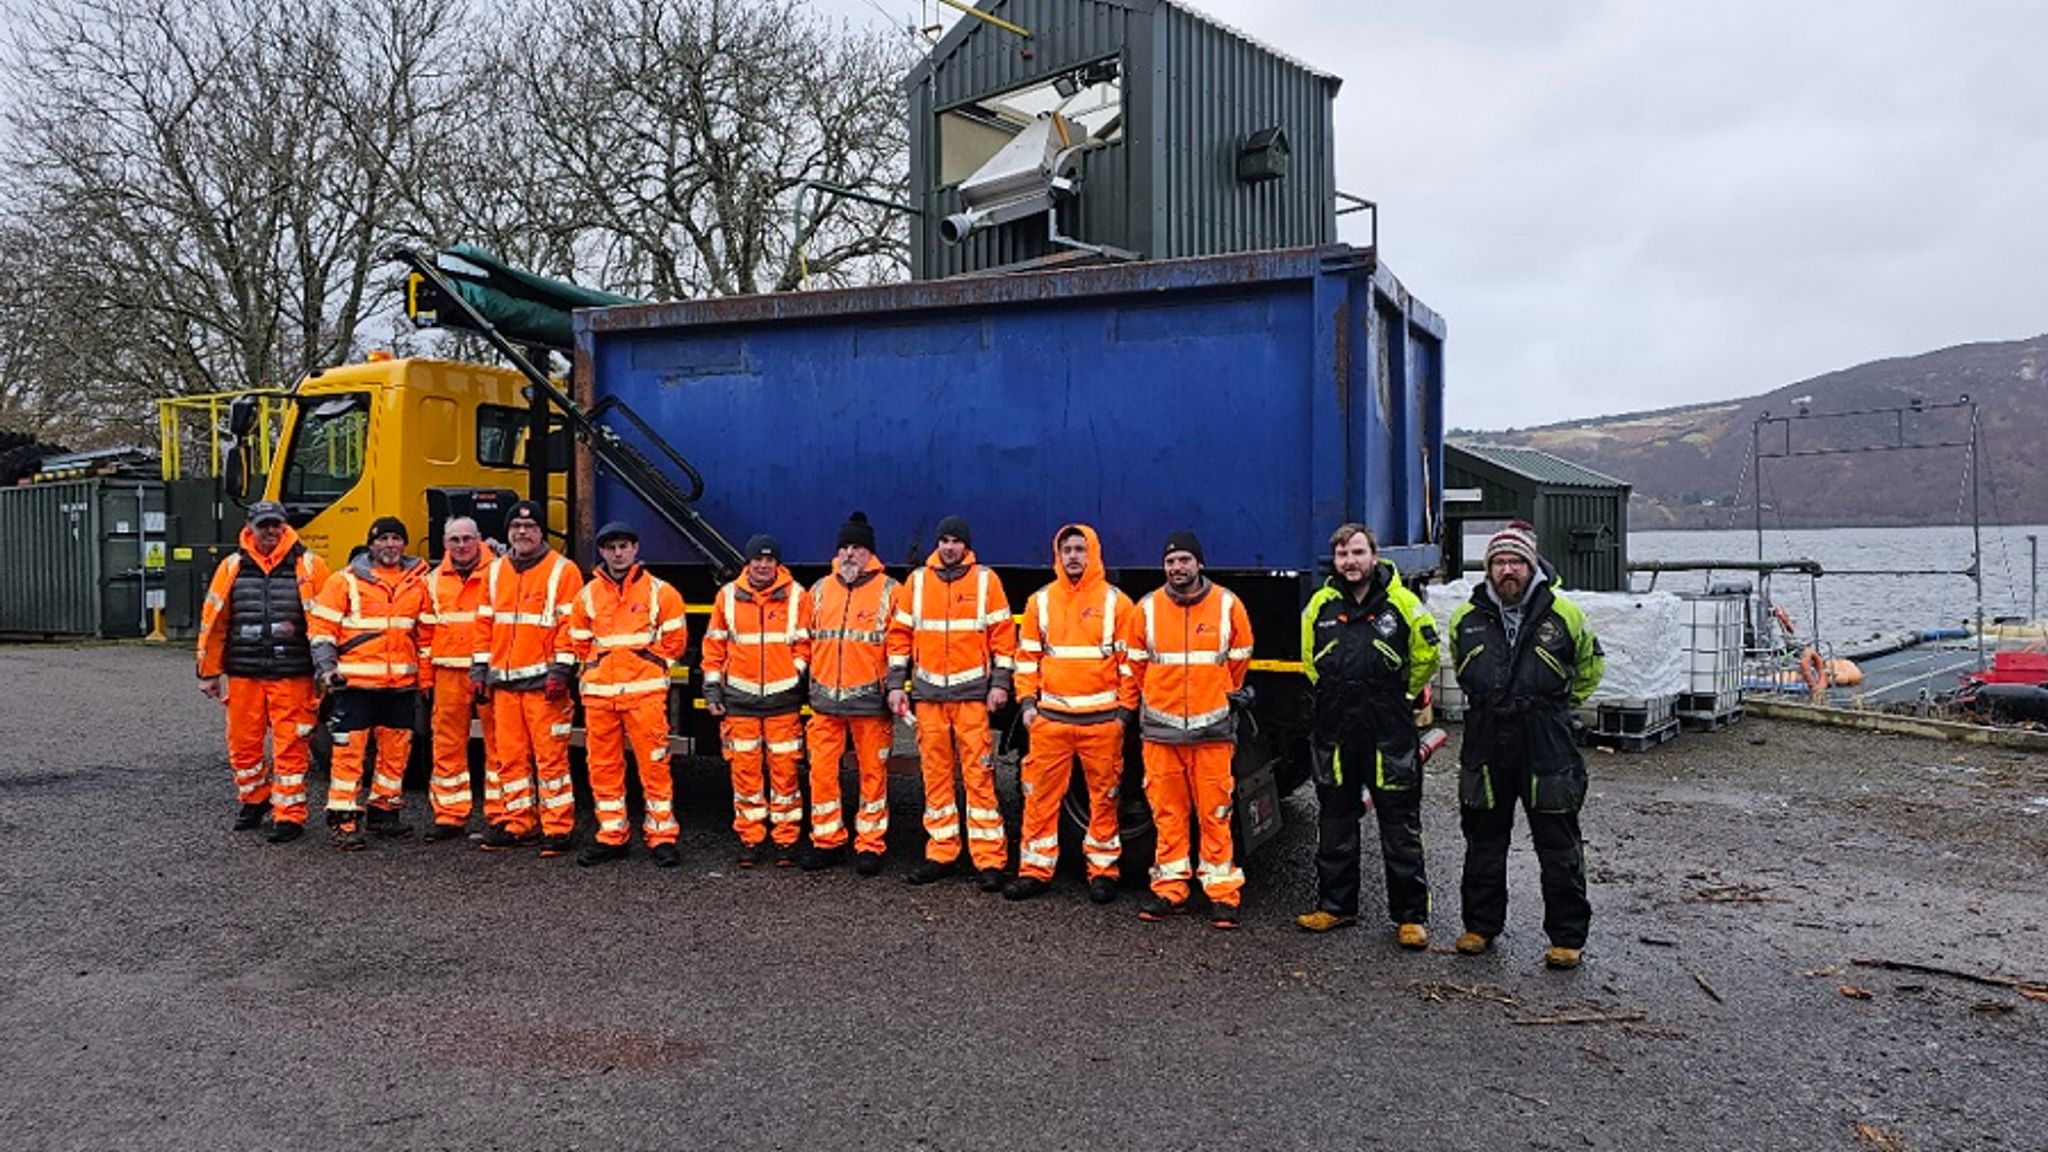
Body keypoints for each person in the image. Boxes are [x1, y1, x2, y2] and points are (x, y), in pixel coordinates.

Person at [1449, 521, 1605, 969]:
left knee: (1557, 841)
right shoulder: (1467, 616)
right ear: (1488, 570)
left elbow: (1590, 670)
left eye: (1516, 561)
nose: (1507, 570)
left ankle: (1567, 938)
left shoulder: (1564, 613)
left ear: (1531, 564)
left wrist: (1552, 708)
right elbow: (1461, 668)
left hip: (1546, 737)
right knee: (1483, 838)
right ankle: (1479, 927)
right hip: (1485, 735)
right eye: (1498, 562)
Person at [1296, 523, 1442, 946]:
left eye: (1358, 552)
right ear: (1335, 561)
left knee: (1400, 825)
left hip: (1388, 727)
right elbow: (1310, 662)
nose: (1350, 562)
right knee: (1335, 820)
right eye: (1342, 555)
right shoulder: (1320, 606)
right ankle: (1335, 907)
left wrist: (1403, 693)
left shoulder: (1403, 603)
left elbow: (1426, 656)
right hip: (1336, 726)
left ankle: (1411, 917)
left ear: (1374, 556)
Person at [1007, 523, 1139, 904]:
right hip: (1051, 722)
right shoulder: (1040, 602)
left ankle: (1102, 872)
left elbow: (1130, 664)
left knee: (1104, 799)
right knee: (1039, 798)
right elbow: (1027, 658)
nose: (1073, 556)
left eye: (1080, 549)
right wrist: (1028, 705)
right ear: (1057, 555)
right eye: (1067, 550)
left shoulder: (1117, 603)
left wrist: (1124, 714)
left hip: (1102, 723)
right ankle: (1034, 870)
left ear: (1093, 552)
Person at [1129, 530, 1254, 928]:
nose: (1177, 568)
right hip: (1161, 735)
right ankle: (1170, 889)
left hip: (1212, 732)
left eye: (1184, 560)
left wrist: (1214, 696)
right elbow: (1134, 667)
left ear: (1199, 563)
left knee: (1215, 812)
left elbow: (1238, 660)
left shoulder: (1227, 605)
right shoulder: (1146, 609)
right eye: (1170, 562)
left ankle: (1222, 894)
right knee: (1167, 814)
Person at [886, 515, 1017, 892]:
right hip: (929, 699)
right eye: (943, 540)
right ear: (936, 544)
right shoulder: (917, 582)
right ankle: (941, 853)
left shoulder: (985, 581)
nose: (949, 547)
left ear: (966, 546)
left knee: (980, 778)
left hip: (972, 698)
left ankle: (989, 859)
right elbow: (899, 639)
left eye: (956, 541)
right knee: (936, 779)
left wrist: (1000, 684)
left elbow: (1002, 638)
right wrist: (897, 685)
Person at [194, 500, 331, 842]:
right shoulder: (231, 567)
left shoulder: (311, 566)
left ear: (285, 526)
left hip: (293, 672)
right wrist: (209, 672)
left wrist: (328, 669)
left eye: (276, 524)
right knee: (243, 744)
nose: (270, 531)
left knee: (292, 745)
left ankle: (290, 816)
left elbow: (329, 622)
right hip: (245, 673)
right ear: (250, 527)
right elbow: (214, 623)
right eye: (264, 525)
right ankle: (254, 800)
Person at [564, 521, 689, 867]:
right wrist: (601, 665)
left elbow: (675, 642)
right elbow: (577, 642)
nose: (618, 553)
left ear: (635, 550)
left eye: (624, 546)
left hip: (644, 696)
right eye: (611, 548)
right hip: (600, 697)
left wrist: (645, 662)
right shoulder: (587, 595)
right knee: (603, 767)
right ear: (602, 552)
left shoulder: (661, 593)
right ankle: (611, 834)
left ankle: (662, 836)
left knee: (654, 766)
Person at [308, 517, 430, 849]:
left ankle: (385, 812)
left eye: (396, 538)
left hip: (401, 685)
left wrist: (426, 676)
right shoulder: (343, 582)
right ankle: (344, 820)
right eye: (383, 539)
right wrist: (326, 669)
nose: (390, 545)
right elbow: (321, 632)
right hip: (355, 685)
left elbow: (426, 633)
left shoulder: (419, 582)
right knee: (349, 755)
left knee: (395, 754)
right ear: (370, 544)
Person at [472, 499, 584, 857]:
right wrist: (479, 670)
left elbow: (571, 626)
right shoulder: (494, 571)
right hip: (504, 685)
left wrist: (561, 671)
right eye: (516, 528)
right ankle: (519, 822)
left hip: (544, 686)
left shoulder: (563, 571)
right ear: (508, 533)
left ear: (541, 532)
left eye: (530, 527)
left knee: (551, 760)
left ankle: (557, 827)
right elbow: (483, 624)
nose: (522, 532)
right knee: (510, 758)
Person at [801, 512, 903, 876]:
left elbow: (900, 647)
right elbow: (803, 642)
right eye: (844, 547)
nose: (848, 554)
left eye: (856, 547)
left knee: (873, 776)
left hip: (870, 704)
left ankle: (870, 846)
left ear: (869, 553)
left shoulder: (891, 590)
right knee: (822, 775)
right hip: (826, 703)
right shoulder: (818, 590)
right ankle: (826, 842)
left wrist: (892, 689)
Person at [702, 534, 811, 867]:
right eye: (757, 560)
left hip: (782, 701)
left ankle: (786, 841)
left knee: (785, 774)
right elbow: (714, 648)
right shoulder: (727, 597)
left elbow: (806, 645)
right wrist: (712, 690)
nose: (763, 566)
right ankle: (751, 839)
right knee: (745, 775)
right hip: (740, 701)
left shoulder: (797, 596)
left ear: (777, 564)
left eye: (769, 560)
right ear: (747, 563)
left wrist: (793, 676)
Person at [417, 517, 497, 841]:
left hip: (490, 673)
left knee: (500, 746)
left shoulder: (498, 575)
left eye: (467, 539)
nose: (461, 546)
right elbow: (424, 634)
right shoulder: (433, 581)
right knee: (447, 746)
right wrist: (425, 678)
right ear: (444, 543)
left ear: (479, 539)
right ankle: (449, 815)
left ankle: (503, 815)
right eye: (454, 540)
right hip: (448, 673)